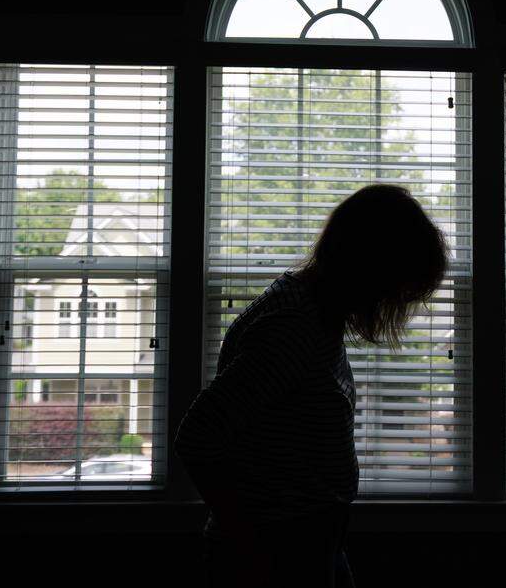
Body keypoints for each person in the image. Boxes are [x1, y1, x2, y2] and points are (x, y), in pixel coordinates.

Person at [174, 183, 451, 587]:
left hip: (304, 542)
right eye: (398, 287)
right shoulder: (292, 329)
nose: (397, 303)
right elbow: (198, 437)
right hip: (276, 553)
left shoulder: (316, 316)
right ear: (371, 269)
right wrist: (255, 545)